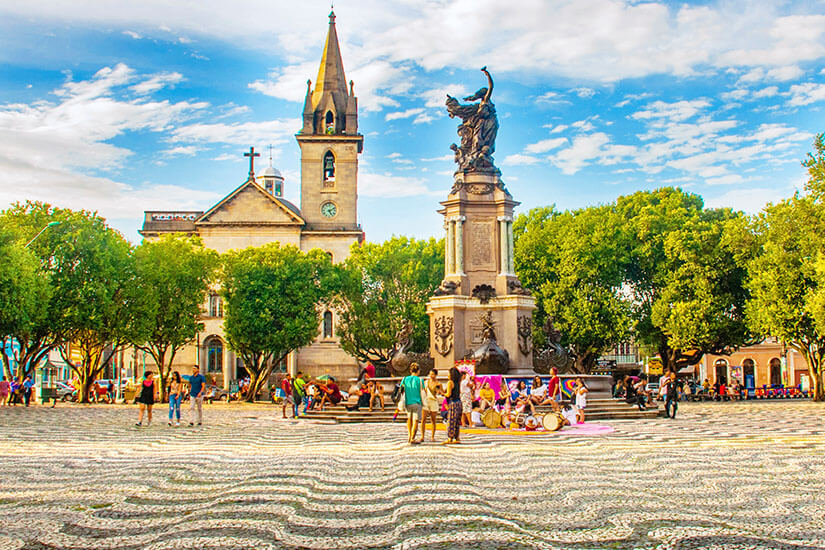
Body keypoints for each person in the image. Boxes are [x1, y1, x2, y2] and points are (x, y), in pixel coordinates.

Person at [400, 363, 423, 444]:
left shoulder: (405, 379)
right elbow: (422, 391)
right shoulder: (420, 380)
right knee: (415, 421)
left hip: (408, 401)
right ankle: (413, 437)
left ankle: (409, 436)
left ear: (410, 370)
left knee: (409, 419)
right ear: (418, 371)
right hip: (417, 402)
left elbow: (401, 390)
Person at [443, 366, 462, 444]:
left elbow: (448, 394)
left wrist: (442, 393)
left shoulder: (450, 382)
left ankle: (450, 437)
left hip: (453, 403)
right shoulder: (458, 382)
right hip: (459, 402)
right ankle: (456, 437)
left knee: (451, 420)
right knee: (457, 421)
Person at [421, 368, 442, 442]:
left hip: (433, 401)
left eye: (433, 374)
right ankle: (422, 436)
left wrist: (439, 390)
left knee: (433, 420)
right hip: (426, 400)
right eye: (430, 374)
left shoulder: (438, 383)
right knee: (423, 419)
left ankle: (432, 436)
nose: (431, 376)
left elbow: (440, 392)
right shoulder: (425, 382)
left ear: (436, 375)